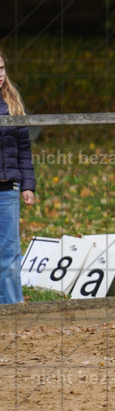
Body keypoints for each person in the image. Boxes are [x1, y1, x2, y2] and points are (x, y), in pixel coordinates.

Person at [0, 49, 35, 304]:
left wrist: (28, 185)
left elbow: (24, 149)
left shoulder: (13, 104)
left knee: (9, 254)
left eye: (1, 69)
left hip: (7, 191)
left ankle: (13, 311)